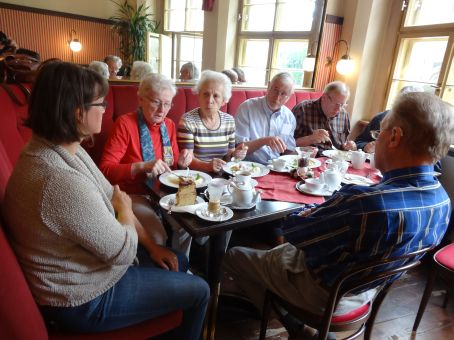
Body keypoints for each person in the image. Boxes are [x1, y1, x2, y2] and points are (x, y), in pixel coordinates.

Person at [2, 61, 209, 339]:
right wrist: (124, 210)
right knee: (200, 290)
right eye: (100, 104)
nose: (105, 109)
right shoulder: (59, 180)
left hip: (87, 269)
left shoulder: (62, 149)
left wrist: (150, 245)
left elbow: (113, 195)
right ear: (78, 113)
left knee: (178, 260)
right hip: (81, 298)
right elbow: (122, 248)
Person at [224, 92, 453, 337]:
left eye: (380, 132)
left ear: (395, 137)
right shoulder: (443, 202)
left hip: (325, 293)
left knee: (235, 255)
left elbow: (293, 232)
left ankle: (290, 320)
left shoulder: (365, 202)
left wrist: (317, 209)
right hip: (367, 291)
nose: (378, 138)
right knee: (280, 253)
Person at [100, 73, 183, 247]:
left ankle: (180, 263)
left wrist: (182, 162)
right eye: (156, 102)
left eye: (167, 104)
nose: (162, 110)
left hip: (165, 192)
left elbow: (173, 167)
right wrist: (141, 166)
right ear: (141, 100)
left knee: (189, 225)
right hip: (133, 194)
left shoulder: (169, 125)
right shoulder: (125, 124)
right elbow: (105, 171)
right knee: (157, 238)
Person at [178, 69, 247, 173]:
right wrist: (207, 166)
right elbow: (187, 160)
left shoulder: (229, 121)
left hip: (223, 177)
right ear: (199, 96)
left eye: (216, 96)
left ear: (224, 100)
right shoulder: (188, 121)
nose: (209, 100)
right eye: (206, 94)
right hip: (197, 178)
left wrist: (235, 154)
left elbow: (229, 155)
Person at [235, 72, 297, 164]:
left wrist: (303, 156)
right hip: (248, 167)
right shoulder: (247, 108)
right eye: (275, 90)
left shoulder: (288, 118)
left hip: (275, 168)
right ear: (268, 86)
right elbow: (239, 148)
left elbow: (288, 150)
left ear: (289, 96)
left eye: (283, 94)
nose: (277, 97)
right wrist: (264, 141)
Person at [355, 85, 424, 153]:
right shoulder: (380, 118)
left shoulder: (424, 128)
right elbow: (358, 141)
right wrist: (365, 146)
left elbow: (433, 162)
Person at [293, 81, 356, 152]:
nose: (338, 109)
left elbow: (343, 144)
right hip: (310, 159)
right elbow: (288, 143)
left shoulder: (344, 115)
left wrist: (349, 146)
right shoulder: (302, 109)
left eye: (342, 105)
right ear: (324, 97)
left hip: (336, 160)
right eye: (336, 104)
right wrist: (311, 139)